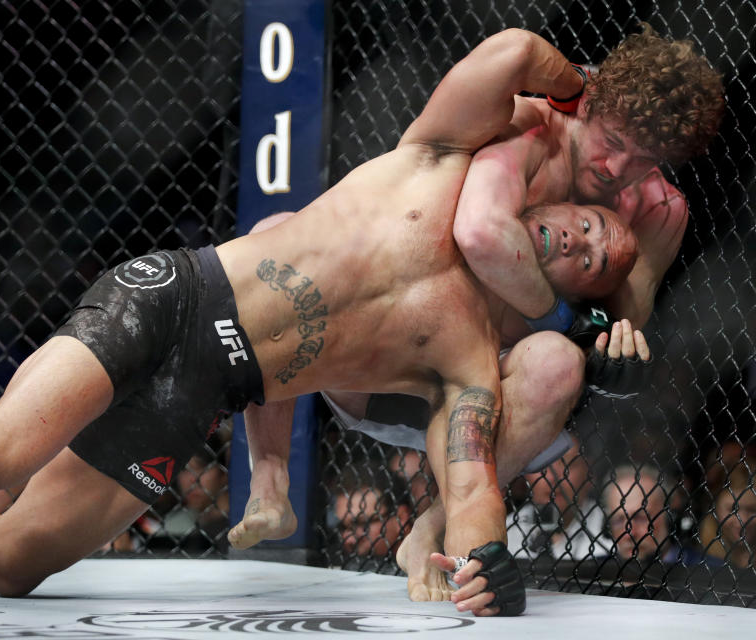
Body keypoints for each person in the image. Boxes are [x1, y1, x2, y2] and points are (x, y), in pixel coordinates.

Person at [0, 29, 638, 617]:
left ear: (563, 296)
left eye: (593, 256)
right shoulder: (441, 159)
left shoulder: (464, 364)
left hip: (206, 387)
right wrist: (577, 92)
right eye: (586, 221)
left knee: (12, 559)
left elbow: (470, 481)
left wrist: (486, 564)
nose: (578, 238)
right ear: (557, 196)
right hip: (173, 297)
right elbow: (512, 51)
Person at [229, 23, 724, 603]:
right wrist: (559, 316)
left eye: (644, 160)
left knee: (558, 363)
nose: (617, 168)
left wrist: (617, 355)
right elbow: (480, 229)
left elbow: (618, 331)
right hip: (381, 354)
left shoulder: (659, 211)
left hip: (490, 391)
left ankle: (433, 527)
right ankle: (270, 478)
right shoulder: (526, 125)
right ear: (591, 106)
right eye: (613, 141)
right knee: (274, 238)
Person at [506, 434, 611, 561]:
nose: (552, 478)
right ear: (526, 475)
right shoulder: (508, 529)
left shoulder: (610, 527)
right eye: (541, 465)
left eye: (567, 464)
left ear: (590, 473)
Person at [602, 464, 713, 566]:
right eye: (618, 520)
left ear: (671, 519)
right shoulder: (594, 571)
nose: (629, 534)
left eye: (641, 518)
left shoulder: (709, 572)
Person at [699, 445, 756, 570]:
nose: (742, 521)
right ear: (714, 507)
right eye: (732, 510)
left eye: (753, 510)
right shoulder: (695, 558)